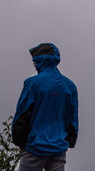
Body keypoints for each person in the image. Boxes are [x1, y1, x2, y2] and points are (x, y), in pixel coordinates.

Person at [12, 43, 78, 171]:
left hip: (34, 147)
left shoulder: (32, 83)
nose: (34, 64)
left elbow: (22, 113)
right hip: (58, 148)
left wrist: (20, 141)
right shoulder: (70, 86)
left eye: (35, 61)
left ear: (41, 60)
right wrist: (70, 140)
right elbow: (73, 117)